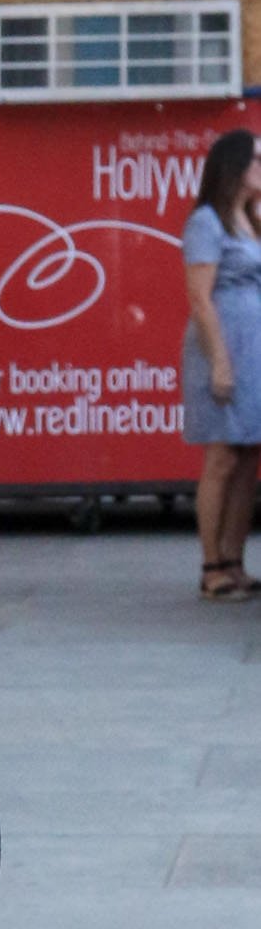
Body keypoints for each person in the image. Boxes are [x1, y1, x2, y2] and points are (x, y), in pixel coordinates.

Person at [184, 126, 261, 602]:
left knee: (249, 458)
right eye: (257, 160)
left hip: (254, 351)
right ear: (235, 167)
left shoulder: (250, 220)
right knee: (222, 458)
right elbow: (199, 297)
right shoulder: (206, 223)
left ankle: (235, 561)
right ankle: (212, 565)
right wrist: (220, 362)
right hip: (223, 348)